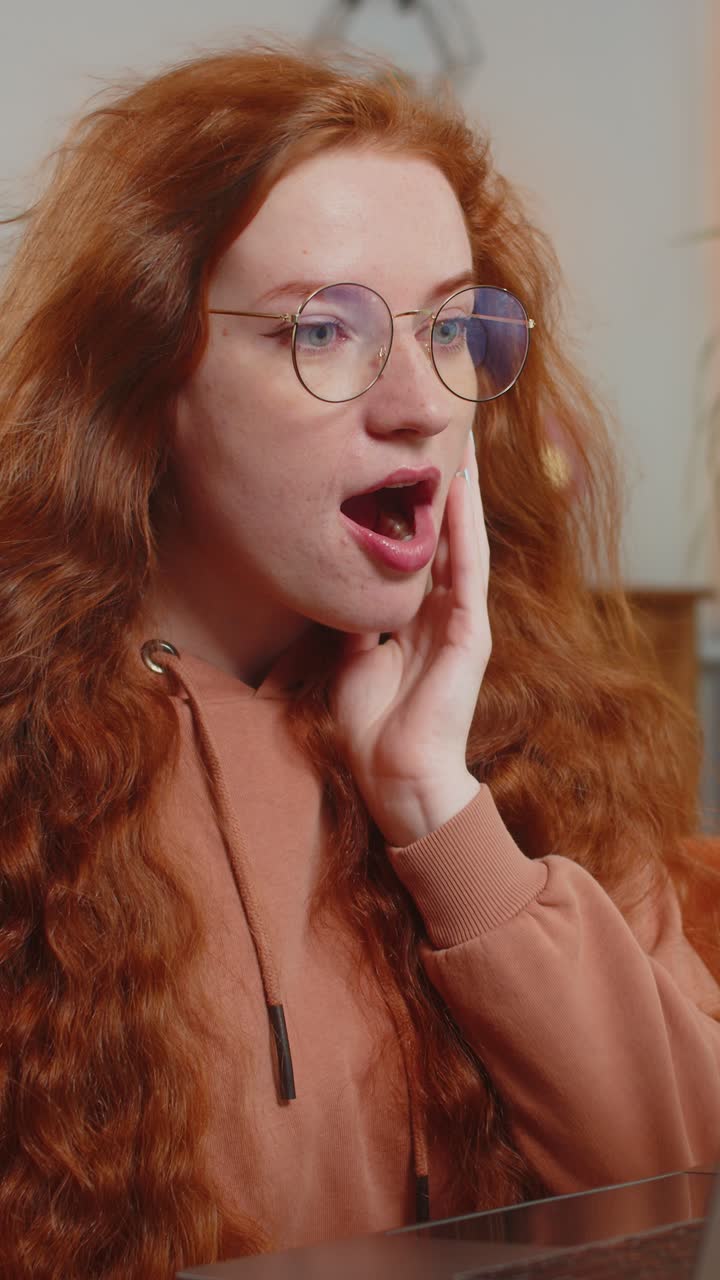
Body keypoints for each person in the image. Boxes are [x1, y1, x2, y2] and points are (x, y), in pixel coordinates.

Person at [0, 44, 718, 1280]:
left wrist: (441, 809)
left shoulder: (534, 739)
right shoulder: (30, 759)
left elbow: (687, 1208)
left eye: (451, 325)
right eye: (323, 328)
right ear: (150, 370)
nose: (421, 401)